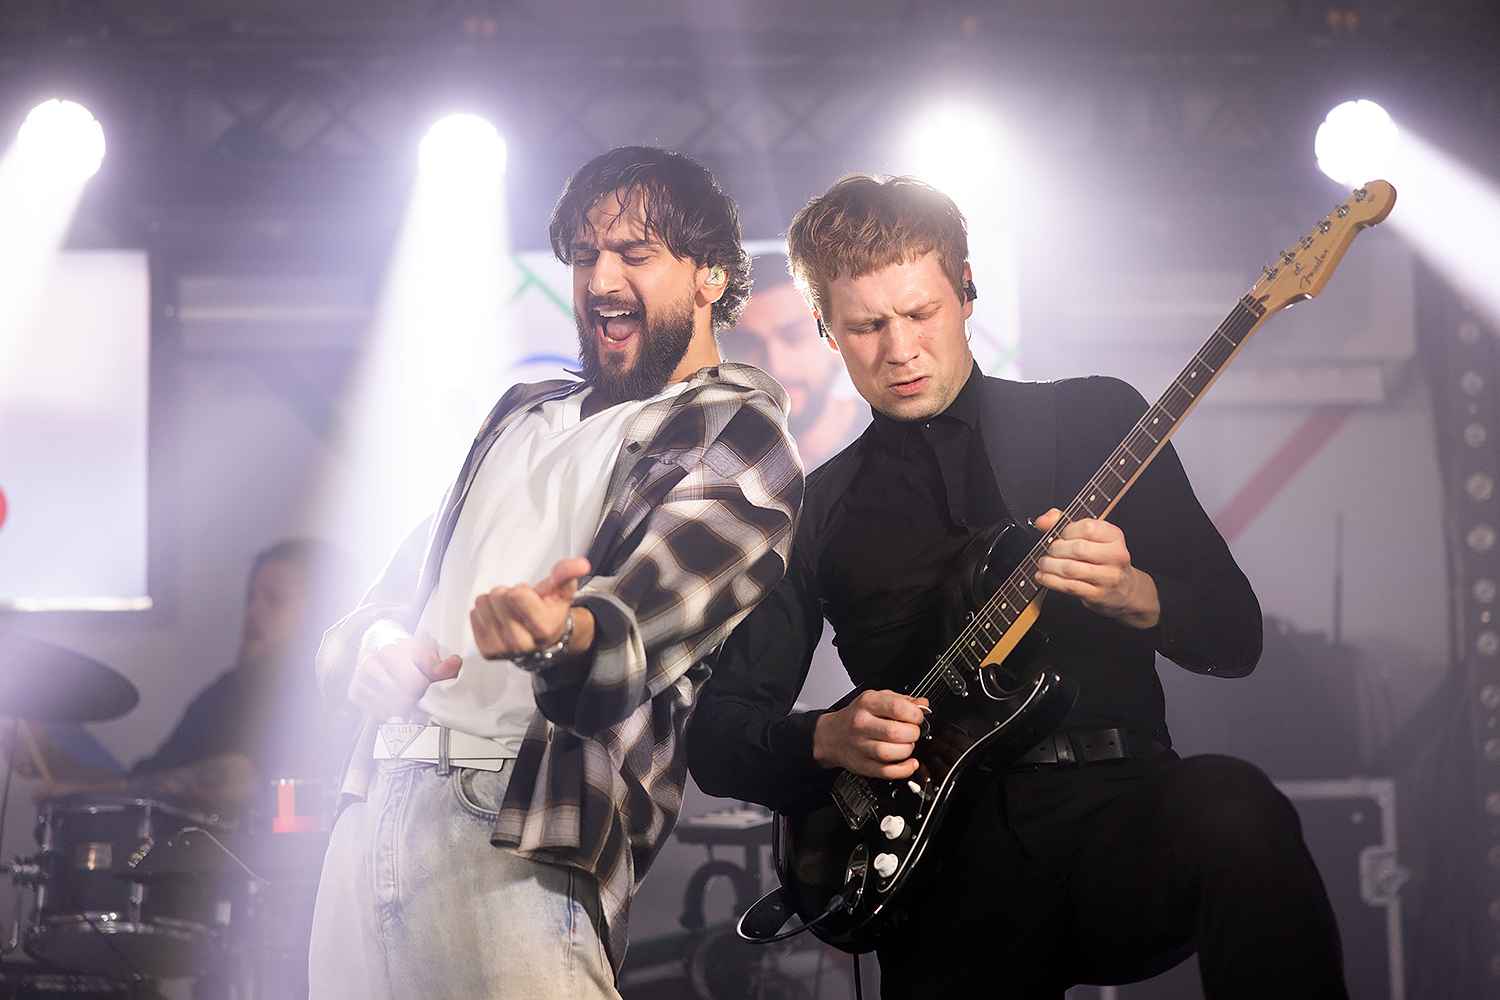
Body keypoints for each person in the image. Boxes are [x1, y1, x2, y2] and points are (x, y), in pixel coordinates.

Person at [686, 175, 1349, 999]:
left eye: (921, 313)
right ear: (824, 328)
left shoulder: (1096, 419)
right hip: (941, 871)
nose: (900, 350)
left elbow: (1236, 636)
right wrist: (826, 738)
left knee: (1237, 811)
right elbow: (717, 736)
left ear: (967, 293)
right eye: (866, 326)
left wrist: (1135, 593)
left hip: (1121, 814)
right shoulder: (813, 512)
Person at [307, 146, 801, 1000]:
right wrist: (375, 647)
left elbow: (639, 631)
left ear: (712, 275)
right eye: (583, 256)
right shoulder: (519, 414)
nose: (601, 280)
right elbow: (378, 607)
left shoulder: (736, 432)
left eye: (635, 254)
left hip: (518, 821)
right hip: (371, 802)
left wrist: (561, 632)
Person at [19, 538, 348, 814]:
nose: (252, 612)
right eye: (251, 598)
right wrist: (52, 760)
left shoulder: (328, 698)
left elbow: (241, 779)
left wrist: (115, 789)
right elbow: (141, 781)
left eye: (274, 601)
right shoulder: (225, 692)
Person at [719, 254, 866, 469]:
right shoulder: (723, 462)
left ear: (833, 338)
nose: (777, 368)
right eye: (751, 345)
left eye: (795, 337)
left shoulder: (894, 439)